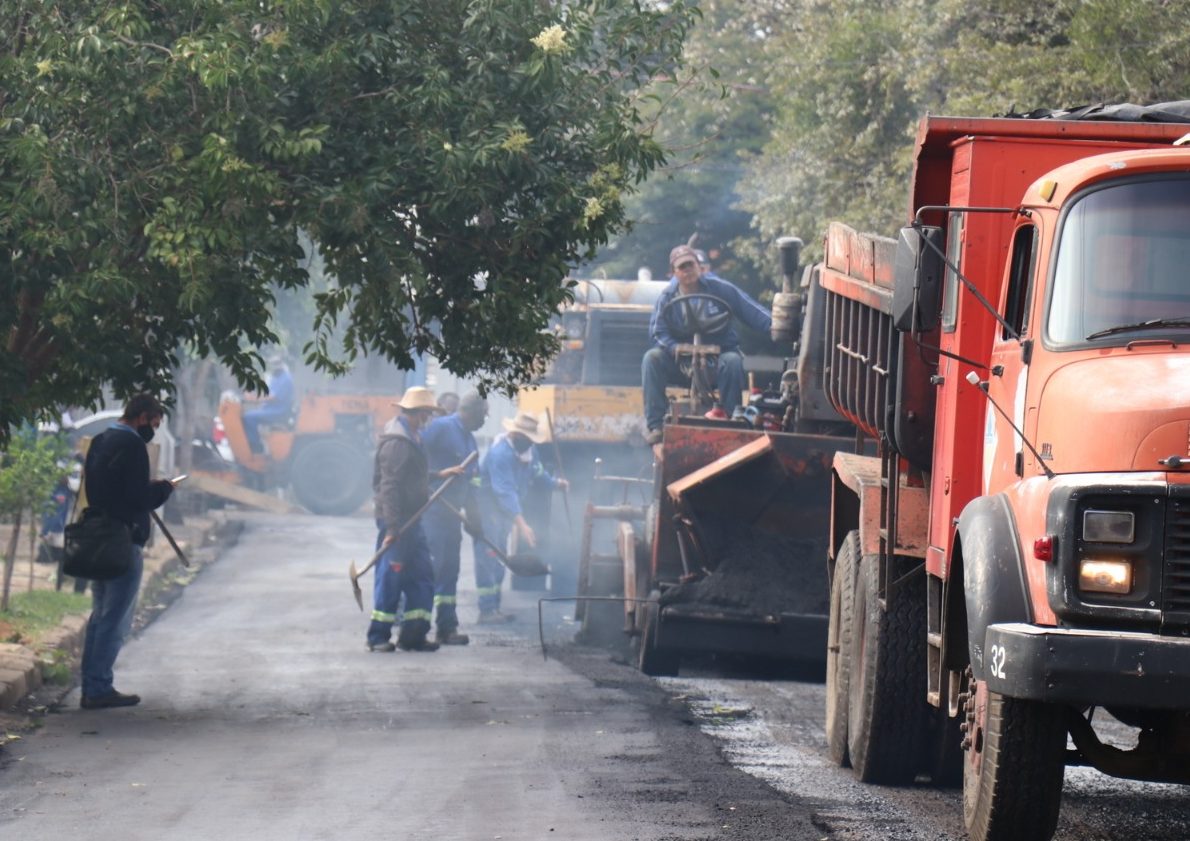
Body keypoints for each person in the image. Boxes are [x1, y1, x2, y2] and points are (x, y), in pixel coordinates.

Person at [79, 394, 175, 709]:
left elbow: (96, 489)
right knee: (114, 619)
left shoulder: (101, 440)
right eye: (154, 423)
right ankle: (98, 687)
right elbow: (138, 496)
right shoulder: (133, 446)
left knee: (99, 615)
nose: (154, 430)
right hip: (123, 540)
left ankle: (92, 684)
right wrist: (164, 489)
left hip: (99, 538)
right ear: (143, 416)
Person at [641, 244, 772, 444]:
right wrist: (674, 347)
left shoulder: (720, 289)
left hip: (717, 362)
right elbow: (657, 332)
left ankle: (731, 421)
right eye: (682, 267)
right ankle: (656, 426)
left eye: (690, 265)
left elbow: (750, 310)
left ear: (699, 267)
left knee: (733, 361)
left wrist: (776, 325)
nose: (687, 270)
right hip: (681, 364)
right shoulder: (667, 297)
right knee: (651, 358)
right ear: (674, 273)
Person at [366, 386, 444, 653]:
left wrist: (441, 474)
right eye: (428, 413)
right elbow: (390, 486)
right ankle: (377, 637)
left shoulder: (413, 437)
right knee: (391, 577)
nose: (429, 418)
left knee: (422, 575)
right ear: (419, 412)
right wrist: (392, 527)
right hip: (398, 523)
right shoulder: (398, 442)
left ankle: (414, 635)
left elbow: (414, 477)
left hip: (414, 521)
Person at [474, 411, 568, 623]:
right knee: (488, 557)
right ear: (515, 436)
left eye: (531, 440)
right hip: (487, 509)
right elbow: (504, 492)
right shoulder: (501, 455)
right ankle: (486, 610)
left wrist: (555, 483)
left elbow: (537, 472)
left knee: (498, 557)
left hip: (503, 512)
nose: (529, 443)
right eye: (525, 439)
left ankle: (494, 608)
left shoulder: (529, 451)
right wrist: (523, 524)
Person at [421, 392, 489, 645]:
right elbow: (416, 460)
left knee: (450, 571)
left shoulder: (470, 442)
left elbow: (472, 485)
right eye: (483, 416)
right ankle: (418, 625)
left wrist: (475, 521)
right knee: (432, 570)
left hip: (452, 518)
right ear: (469, 411)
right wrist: (434, 477)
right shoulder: (441, 427)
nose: (484, 422)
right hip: (433, 512)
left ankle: (446, 628)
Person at [242, 354, 295, 454]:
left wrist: (254, 399)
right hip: (269, 409)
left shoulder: (286, 379)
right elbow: (267, 394)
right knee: (248, 415)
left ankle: (255, 446)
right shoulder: (276, 378)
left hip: (278, 412)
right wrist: (252, 395)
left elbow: (273, 398)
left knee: (249, 417)